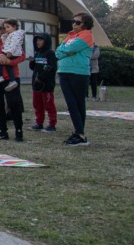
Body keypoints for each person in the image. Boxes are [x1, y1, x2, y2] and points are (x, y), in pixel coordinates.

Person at [56, 12, 95, 147]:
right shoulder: (71, 35)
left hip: (78, 73)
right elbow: (58, 51)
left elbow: (70, 48)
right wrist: (65, 51)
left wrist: (65, 50)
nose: (74, 24)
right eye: (73, 21)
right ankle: (78, 132)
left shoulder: (87, 35)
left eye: (78, 22)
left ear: (85, 24)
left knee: (77, 104)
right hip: (63, 72)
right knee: (71, 104)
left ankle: (80, 134)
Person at [29, 33, 58, 131]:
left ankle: (52, 124)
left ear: (46, 41)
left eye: (40, 40)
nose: (38, 42)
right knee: (37, 105)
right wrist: (32, 62)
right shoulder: (37, 53)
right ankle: (39, 123)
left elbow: (52, 68)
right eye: (37, 40)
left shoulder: (50, 53)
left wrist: (41, 77)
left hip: (46, 85)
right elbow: (33, 68)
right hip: (36, 84)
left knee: (49, 105)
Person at [0, 18, 25, 92]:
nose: (6, 29)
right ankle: (12, 81)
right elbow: (8, 42)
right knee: (8, 66)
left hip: (12, 53)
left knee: (0, 60)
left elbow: (14, 44)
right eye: (5, 28)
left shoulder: (15, 34)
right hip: (12, 52)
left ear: (14, 27)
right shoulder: (11, 34)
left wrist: (10, 51)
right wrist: (4, 37)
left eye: (8, 27)